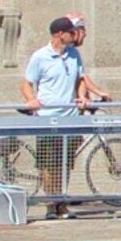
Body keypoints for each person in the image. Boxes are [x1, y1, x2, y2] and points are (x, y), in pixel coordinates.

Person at [21, 14, 106, 218]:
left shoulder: (74, 55)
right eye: (70, 32)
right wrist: (31, 100)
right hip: (48, 117)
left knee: (66, 162)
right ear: (60, 34)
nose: (74, 35)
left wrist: (82, 97)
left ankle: (61, 202)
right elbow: (26, 83)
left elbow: (80, 79)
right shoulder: (40, 56)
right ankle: (51, 204)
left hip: (70, 116)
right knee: (48, 164)